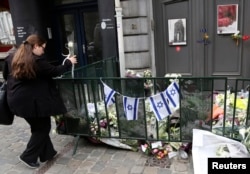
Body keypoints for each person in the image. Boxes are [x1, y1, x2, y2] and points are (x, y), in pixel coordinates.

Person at [3, 34, 77, 169]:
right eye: (43, 48)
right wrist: (68, 62)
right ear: (36, 46)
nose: (43, 51)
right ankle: (27, 156)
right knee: (43, 128)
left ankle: (48, 153)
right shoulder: (36, 61)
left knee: (38, 127)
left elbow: (5, 75)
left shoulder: (12, 57)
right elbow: (54, 71)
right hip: (30, 102)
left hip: (16, 99)